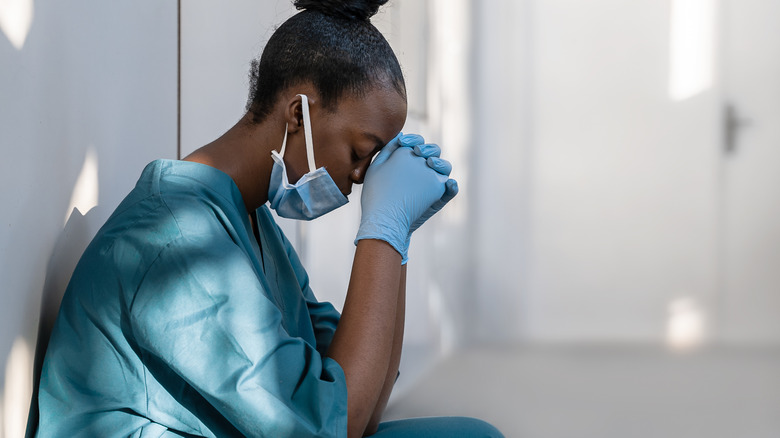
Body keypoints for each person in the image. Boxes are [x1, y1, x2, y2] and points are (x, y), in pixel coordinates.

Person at [32, 1, 503, 437]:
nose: (363, 179)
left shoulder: (255, 225)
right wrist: (384, 227)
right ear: (298, 113)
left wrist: (398, 240)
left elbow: (365, 399)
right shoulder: (174, 241)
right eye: (362, 153)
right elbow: (332, 423)